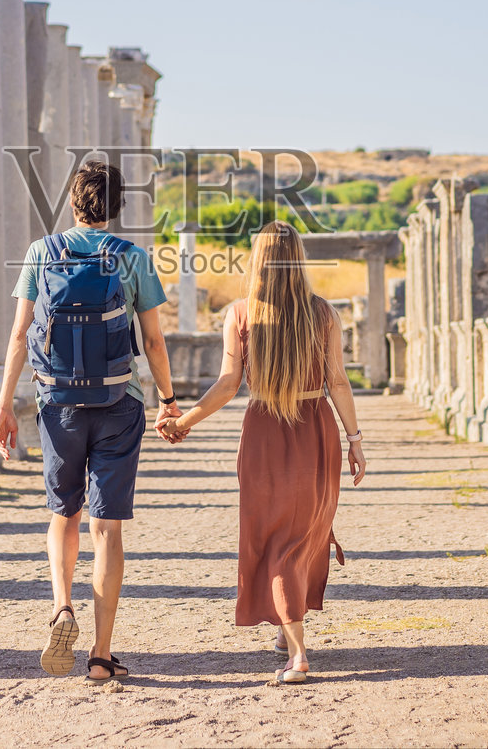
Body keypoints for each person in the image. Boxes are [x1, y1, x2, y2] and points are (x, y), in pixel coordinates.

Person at [0, 160, 179, 682]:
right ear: (117, 206)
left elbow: (18, 335)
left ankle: (61, 608)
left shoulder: (40, 253)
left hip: (58, 403)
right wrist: (168, 398)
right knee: (108, 528)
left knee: (63, 514)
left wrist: (4, 404)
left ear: (72, 202)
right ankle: (101, 654)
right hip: (119, 401)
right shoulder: (133, 257)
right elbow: (155, 342)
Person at [157, 220, 366, 684]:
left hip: (263, 435)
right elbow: (337, 382)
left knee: (278, 537)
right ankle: (290, 632)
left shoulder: (241, 313)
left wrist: (184, 422)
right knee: (302, 534)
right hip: (316, 431)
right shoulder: (324, 313)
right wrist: (353, 440)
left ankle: (296, 652)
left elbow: (229, 384)